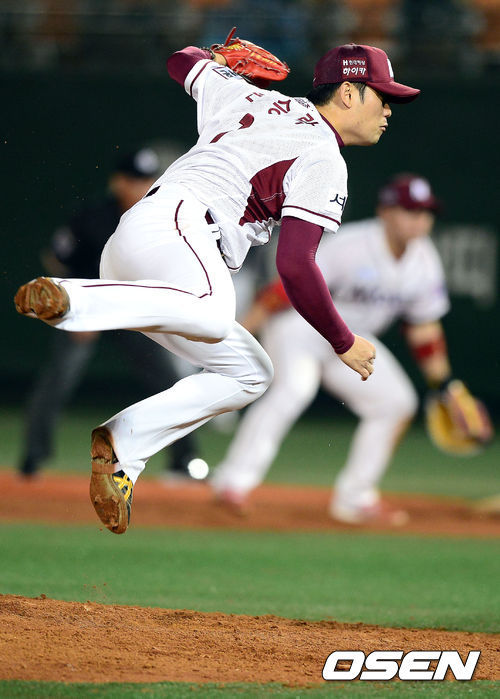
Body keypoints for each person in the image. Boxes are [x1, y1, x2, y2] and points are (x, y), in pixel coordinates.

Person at [14, 40, 420, 534]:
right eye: (383, 96)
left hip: (143, 248)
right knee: (212, 313)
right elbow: (295, 265)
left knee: (251, 373)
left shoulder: (250, 96)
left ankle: (125, 445)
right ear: (350, 93)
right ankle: (74, 298)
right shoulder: (324, 157)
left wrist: (217, 59)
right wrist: (342, 340)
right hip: (183, 233)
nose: (389, 110)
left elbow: (179, 61)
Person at [211, 174, 453, 525]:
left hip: (353, 342)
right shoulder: (353, 244)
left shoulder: (425, 260)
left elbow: (424, 327)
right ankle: (233, 482)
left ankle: (356, 498)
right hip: (301, 328)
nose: (419, 220)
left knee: (396, 402)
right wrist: (239, 335)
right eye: (410, 210)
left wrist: (443, 384)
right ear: (385, 211)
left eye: (426, 212)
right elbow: (286, 288)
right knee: (294, 389)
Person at [19, 147, 207, 482]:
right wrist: (72, 309)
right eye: (134, 179)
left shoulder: (159, 217)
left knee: (168, 383)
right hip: (85, 309)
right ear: (117, 181)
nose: (140, 186)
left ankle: (184, 462)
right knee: (58, 380)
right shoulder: (91, 216)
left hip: (132, 312)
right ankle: (32, 460)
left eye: (146, 179)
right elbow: (57, 259)